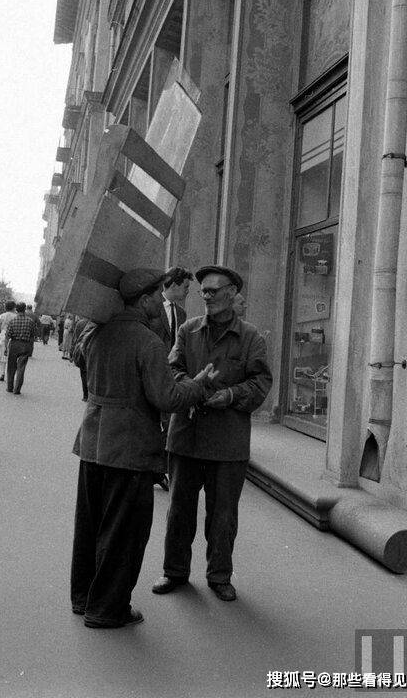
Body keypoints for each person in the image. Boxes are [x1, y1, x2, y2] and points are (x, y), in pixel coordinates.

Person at [70, 268, 218, 629]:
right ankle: (107, 609)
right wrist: (199, 385)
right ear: (146, 300)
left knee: (90, 526)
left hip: (93, 442)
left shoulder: (98, 332)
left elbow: (80, 360)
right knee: (124, 533)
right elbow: (167, 398)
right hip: (129, 447)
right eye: (156, 296)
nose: (159, 301)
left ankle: (84, 598)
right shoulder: (147, 341)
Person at [152, 265, 272, 602]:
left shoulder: (251, 337)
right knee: (179, 510)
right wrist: (193, 387)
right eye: (203, 290)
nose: (206, 296)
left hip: (227, 440)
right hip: (186, 435)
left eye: (213, 290)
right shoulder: (188, 330)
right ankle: (174, 571)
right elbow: (172, 369)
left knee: (223, 515)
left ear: (232, 293)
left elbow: (261, 382)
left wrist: (231, 395)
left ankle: (219, 576)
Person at [150, 266, 194, 491]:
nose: (187, 292)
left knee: (168, 421)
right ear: (174, 284)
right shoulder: (152, 306)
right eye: (185, 287)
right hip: (151, 372)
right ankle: (152, 467)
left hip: (171, 374)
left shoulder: (182, 314)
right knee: (152, 421)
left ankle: (161, 469)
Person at [5, 302, 36, 395]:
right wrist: (30, 347)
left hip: (14, 344)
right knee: (21, 368)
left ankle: (10, 387)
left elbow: (7, 336)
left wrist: (6, 348)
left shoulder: (12, 321)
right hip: (25, 345)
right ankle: (17, 389)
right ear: (24, 309)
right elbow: (33, 335)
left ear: (16, 309)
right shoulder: (30, 321)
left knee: (11, 367)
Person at [0, 301, 17, 380]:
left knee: (3, 355)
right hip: (13, 336)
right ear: (14, 308)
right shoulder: (16, 316)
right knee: (12, 356)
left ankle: (2, 373)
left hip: (3, 335)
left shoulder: (2, 316)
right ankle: (11, 374)